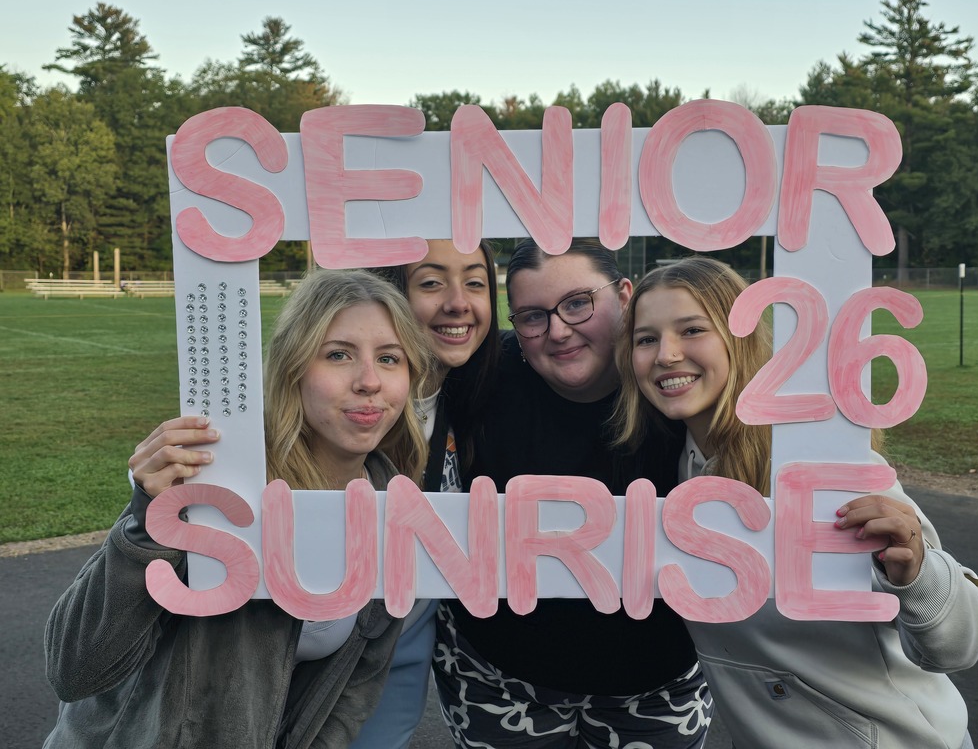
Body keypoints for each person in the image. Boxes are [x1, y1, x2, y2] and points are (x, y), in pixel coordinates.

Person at [43, 269, 432, 748]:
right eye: (338, 354)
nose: (369, 381)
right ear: (292, 367)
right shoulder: (214, 477)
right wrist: (148, 522)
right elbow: (75, 670)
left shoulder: (394, 504)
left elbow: (356, 686)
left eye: (389, 358)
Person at [613, 256, 978, 749]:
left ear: (739, 341)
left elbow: (959, 646)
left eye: (691, 330)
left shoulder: (817, 462)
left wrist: (918, 572)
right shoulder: (669, 465)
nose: (666, 354)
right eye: (647, 338)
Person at [433, 239, 713, 749]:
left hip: (656, 681)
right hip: (497, 674)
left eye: (578, 303)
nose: (558, 330)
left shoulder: (680, 388)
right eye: (532, 316)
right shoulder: (483, 371)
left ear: (625, 296)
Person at [355, 239, 500, 749]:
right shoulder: (348, 407)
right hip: (323, 655)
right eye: (432, 282)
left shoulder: (468, 397)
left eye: (475, 282)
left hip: (404, 646)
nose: (459, 302)